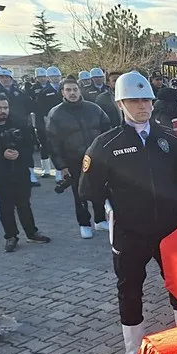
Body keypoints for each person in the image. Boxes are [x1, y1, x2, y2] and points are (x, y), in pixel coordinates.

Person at [79, 71, 177, 354]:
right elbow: (88, 189)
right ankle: (133, 350)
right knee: (130, 288)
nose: (142, 106)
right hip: (130, 232)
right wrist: (117, 207)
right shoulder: (106, 144)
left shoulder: (169, 140)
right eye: (134, 100)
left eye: (146, 100)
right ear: (120, 103)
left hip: (169, 229)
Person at [0, 93, 51, 251]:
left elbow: (31, 144)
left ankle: (31, 233)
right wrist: (0, 154)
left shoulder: (20, 123)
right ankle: (10, 236)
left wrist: (20, 153)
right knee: (6, 207)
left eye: (5, 107)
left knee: (24, 204)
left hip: (20, 171)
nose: (3, 111)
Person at [46, 77, 111, 239]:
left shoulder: (94, 109)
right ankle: (84, 223)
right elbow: (52, 142)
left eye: (74, 89)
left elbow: (107, 130)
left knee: (99, 189)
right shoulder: (56, 114)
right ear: (62, 92)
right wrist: (61, 166)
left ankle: (100, 219)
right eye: (68, 90)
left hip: (96, 158)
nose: (72, 93)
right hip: (73, 161)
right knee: (79, 193)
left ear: (79, 90)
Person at [36, 66, 64, 181]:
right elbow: (41, 110)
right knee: (51, 147)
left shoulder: (64, 89)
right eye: (52, 77)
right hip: (50, 123)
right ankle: (55, 171)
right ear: (48, 78)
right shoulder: (44, 92)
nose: (55, 79)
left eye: (57, 76)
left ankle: (64, 171)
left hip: (64, 123)